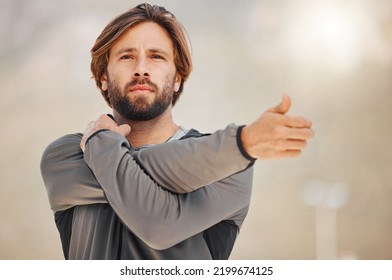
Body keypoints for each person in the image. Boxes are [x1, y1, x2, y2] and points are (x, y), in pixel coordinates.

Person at [40, 3, 314, 260]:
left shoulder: (232, 169)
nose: (141, 69)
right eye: (127, 56)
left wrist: (101, 140)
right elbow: (153, 201)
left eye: (156, 57)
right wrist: (241, 145)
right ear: (103, 77)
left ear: (177, 79)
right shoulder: (65, 156)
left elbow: (158, 225)